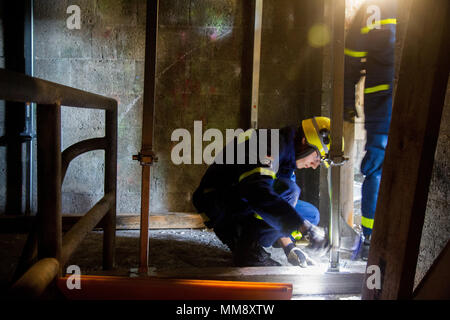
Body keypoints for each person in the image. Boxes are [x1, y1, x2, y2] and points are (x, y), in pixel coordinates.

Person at [192, 117, 331, 267]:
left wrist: (290, 247)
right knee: (290, 192)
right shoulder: (269, 145)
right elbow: (257, 193)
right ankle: (247, 250)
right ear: (305, 141)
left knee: (310, 214)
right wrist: (304, 227)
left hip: (240, 199)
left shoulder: (286, 155)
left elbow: (280, 202)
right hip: (218, 203)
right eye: (317, 157)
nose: (315, 165)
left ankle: (248, 239)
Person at [344, 0, 397, 259]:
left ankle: (370, 240)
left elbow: (352, 55)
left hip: (381, 96)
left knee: (377, 163)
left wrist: (346, 98)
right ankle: (377, 237)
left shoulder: (372, 7)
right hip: (424, 98)